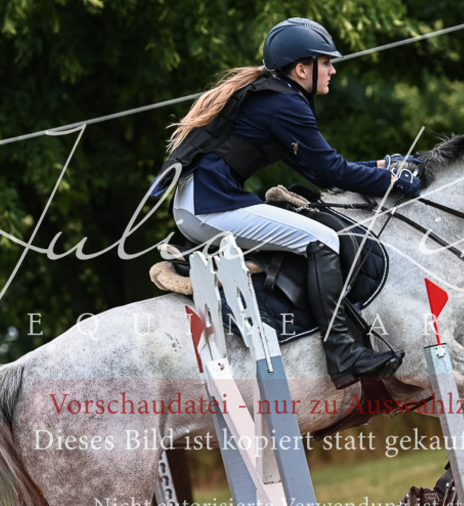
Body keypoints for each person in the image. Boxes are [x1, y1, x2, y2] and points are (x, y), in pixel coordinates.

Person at [157, 17, 419, 388]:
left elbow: (322, 168)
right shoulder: (284, 104)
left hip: (205, 202)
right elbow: (331, 172)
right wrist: (394, 181)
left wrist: (384, 166)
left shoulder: (278, 96)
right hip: (212, 206)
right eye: (325, 62)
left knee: (316, 236)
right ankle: (342, 352)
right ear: (302, 68)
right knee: (323, 240)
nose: (332, 69)